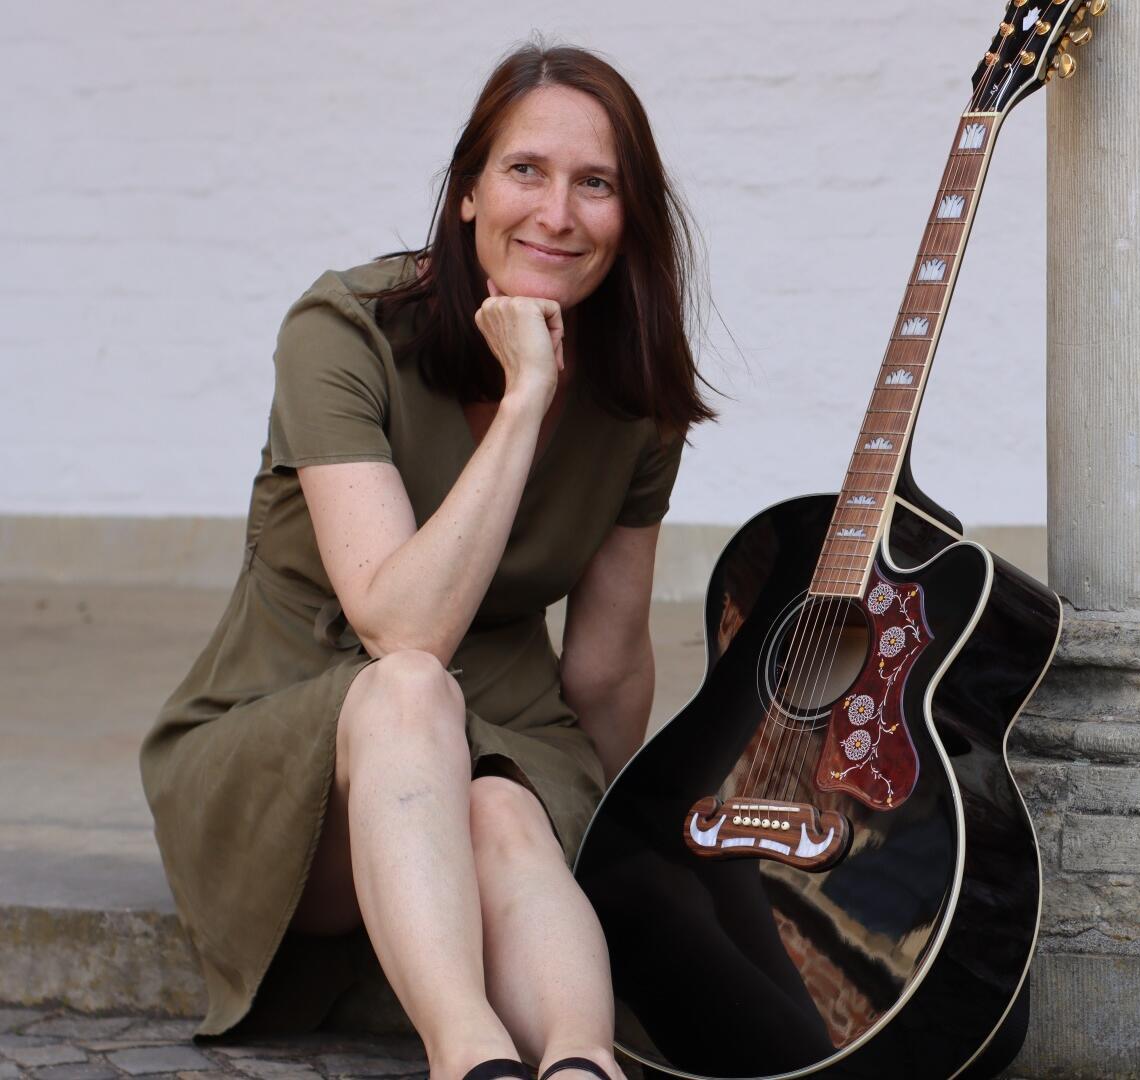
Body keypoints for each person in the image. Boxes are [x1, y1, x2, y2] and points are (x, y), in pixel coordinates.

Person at [139, 41, 713, 1080]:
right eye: (525, 171)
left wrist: (610, 845)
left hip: (508, 733)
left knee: (500, 806)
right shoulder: (343, 331)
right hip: (288, 746)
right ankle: (470, 1060)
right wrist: (526, 398)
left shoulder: (635, 391)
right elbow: (402, 629)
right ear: (466, 193)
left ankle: (582, 1066)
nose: (557, 213)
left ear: (630, 218)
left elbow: (607, 665)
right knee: (406, 692)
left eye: (597, 185)